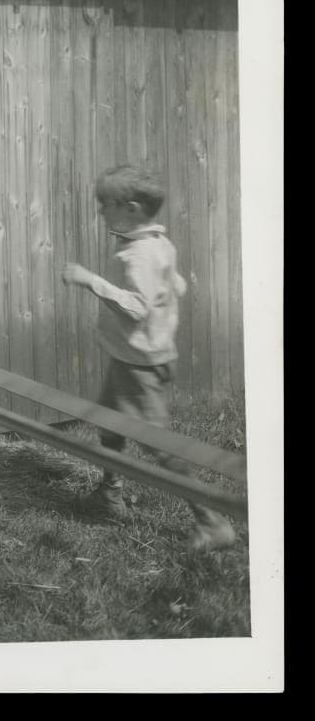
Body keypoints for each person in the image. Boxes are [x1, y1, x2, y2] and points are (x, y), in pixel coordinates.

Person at [62, 165, 237, 553]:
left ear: (132, 208)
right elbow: (178, 284)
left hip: (139, 366)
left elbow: (137, 308)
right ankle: (109, 494)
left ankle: (212, 522)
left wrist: (91, 281)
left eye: (105, 203)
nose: (100, 210)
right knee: (109, 423)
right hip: (132, 357)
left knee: (160, 445)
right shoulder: (158, 242)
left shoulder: (139, 254)